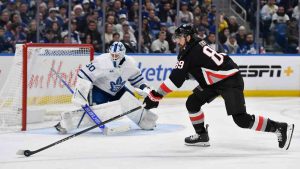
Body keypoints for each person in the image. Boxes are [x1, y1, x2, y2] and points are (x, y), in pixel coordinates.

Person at [143, 24, 294, 150]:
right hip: (215, 82)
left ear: (188, 37)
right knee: (192, 103)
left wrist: (156, 96)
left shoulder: (189, 54)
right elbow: (191, 72)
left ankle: (279, 127)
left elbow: (174, 81)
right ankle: (202, 135)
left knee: (241, 119)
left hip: (230, 81)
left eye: (179, 37)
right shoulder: (197, 44)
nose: (177, 41)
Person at [55, 42, 158, 134]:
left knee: (131, 103)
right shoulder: (101, 61)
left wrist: (146, 90)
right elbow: (83, 75)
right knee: (98, 113)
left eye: (116, 55)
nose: (113, 57)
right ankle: (65, 123)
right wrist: (80, 95)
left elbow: (138, 81)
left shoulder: (130, 63)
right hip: (99, 90)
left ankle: (147, 121)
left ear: (122, 54)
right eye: (112, 55)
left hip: (118, 90)